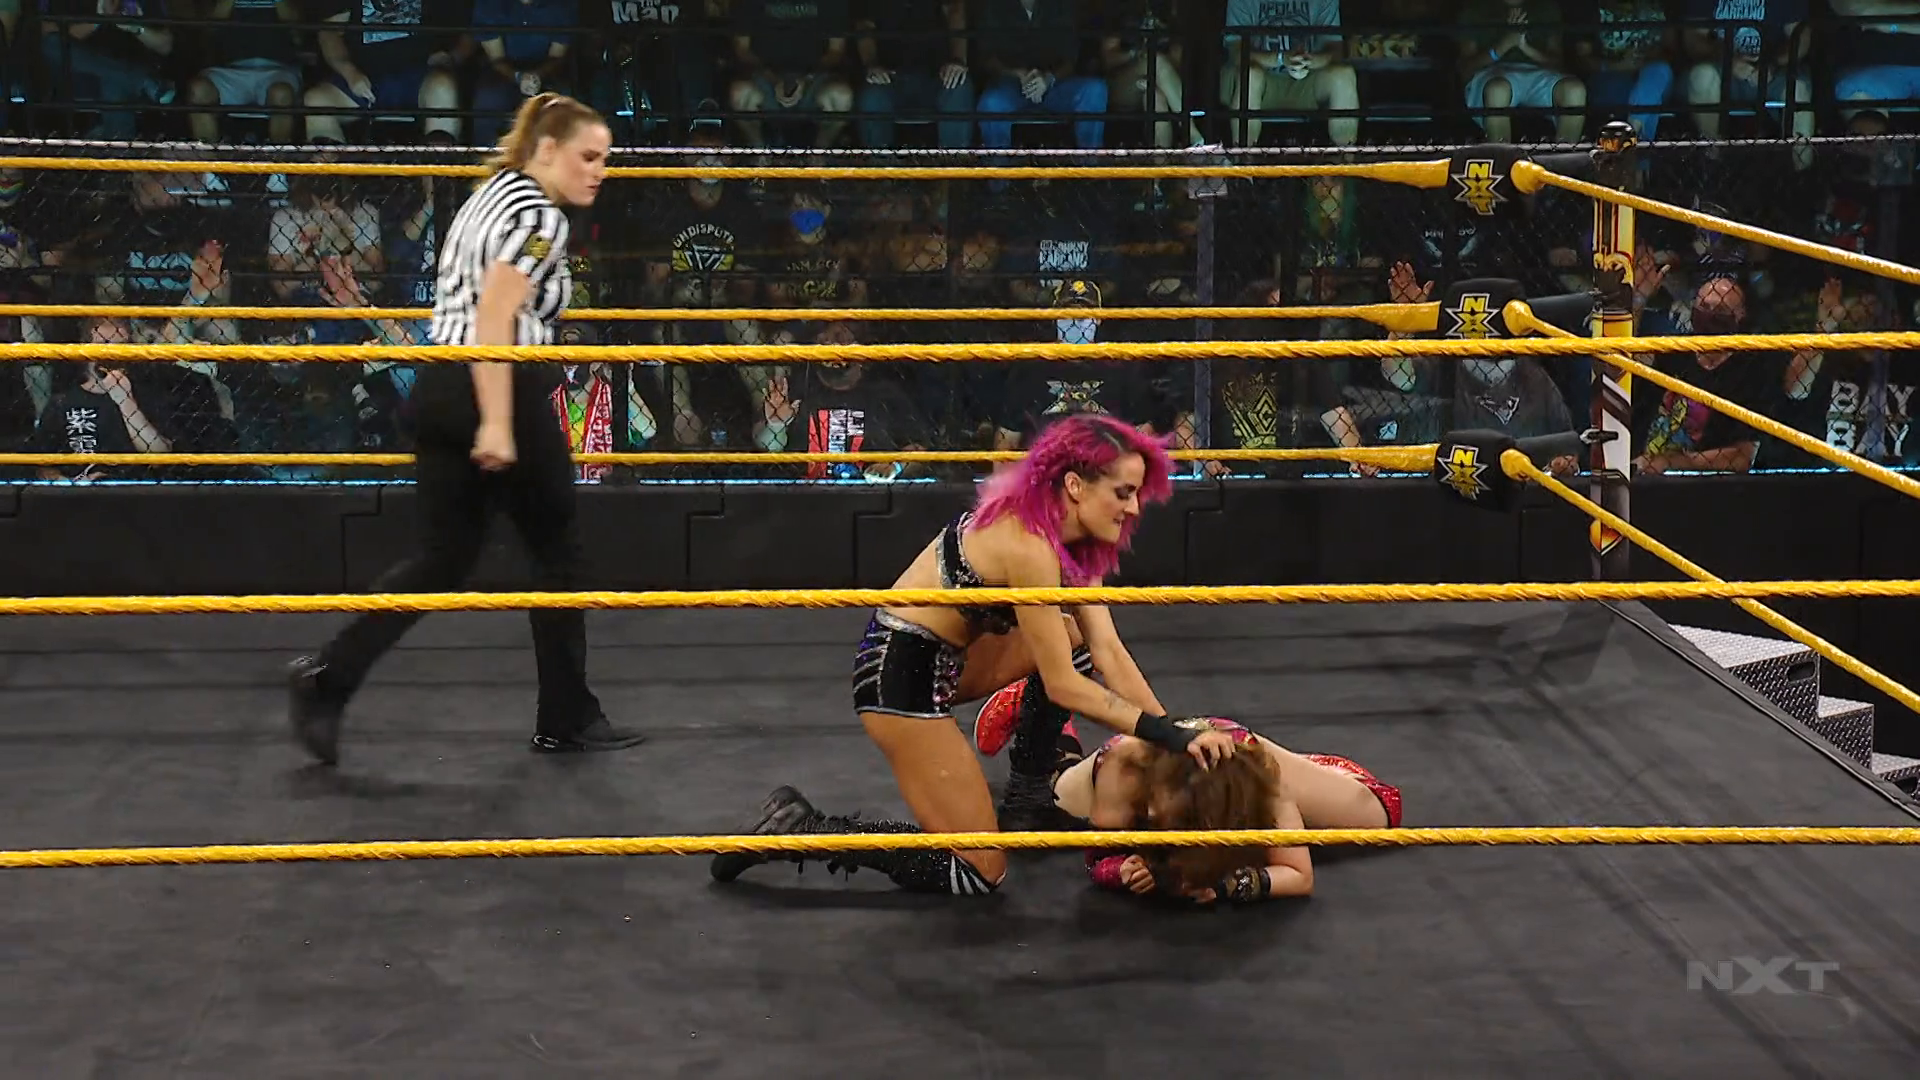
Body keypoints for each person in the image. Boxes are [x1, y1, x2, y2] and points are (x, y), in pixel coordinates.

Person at [710, 413, 1240, 895]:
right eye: (1123, 492)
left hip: (952, 659)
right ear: (1075, 486)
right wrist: (1166, 736)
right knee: (978, 872)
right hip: (899, 677)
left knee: (1074, 637)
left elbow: (1108, 649)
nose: (1134, 507)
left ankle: (1030, 798)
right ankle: (802, 828)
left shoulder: (1078, 544)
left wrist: (1180, 733)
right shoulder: (1029, 544)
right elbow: (1063, 685)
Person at [285, 93, 646, 765]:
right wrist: (500, 422)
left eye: (605, 158)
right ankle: (566, 716)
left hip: (441, 384)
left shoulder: (488, 195)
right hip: (498, 383)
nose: (600, 171)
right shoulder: (539, 217)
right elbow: (496, 314)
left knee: (445, 556)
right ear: (547, 150)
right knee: (557, 552)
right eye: (588, 156)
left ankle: (328, 679)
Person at [1052, 716, 1403, 903]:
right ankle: (1053, 728)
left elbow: (1300, 875)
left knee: (1381, 813)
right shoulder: (1122, 771)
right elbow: (1095, 860)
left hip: (1243, 755)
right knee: (1054, 792)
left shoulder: (1260, 780)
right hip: (1098, 773)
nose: (1153, 818)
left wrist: (1225, 885)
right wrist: (1121, 870)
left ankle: (1309, 770)